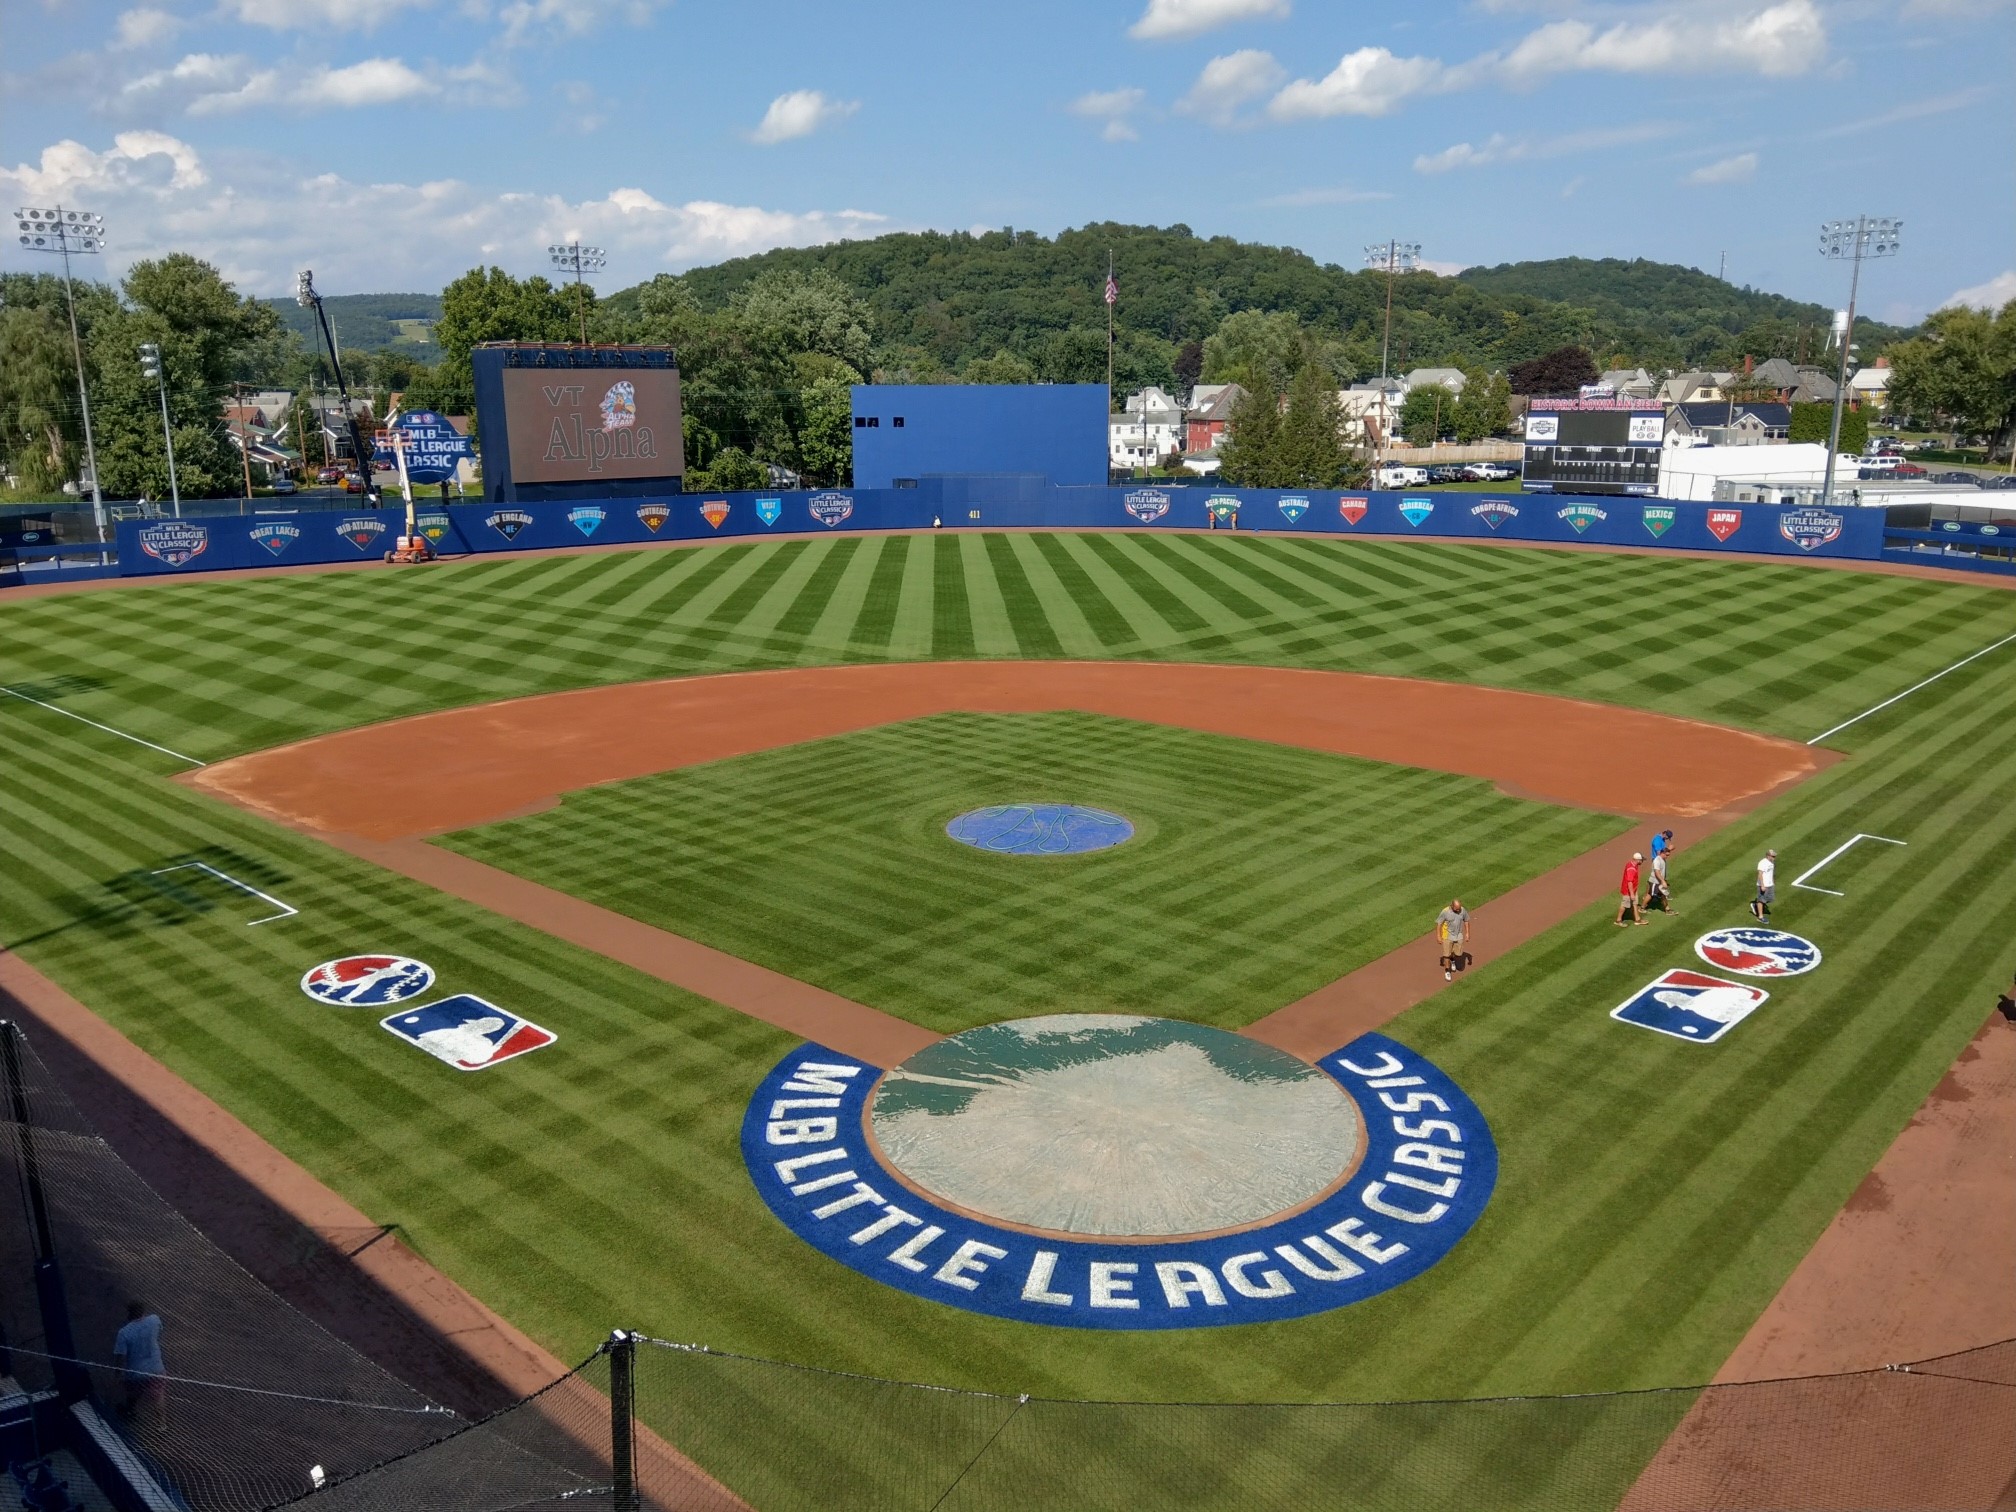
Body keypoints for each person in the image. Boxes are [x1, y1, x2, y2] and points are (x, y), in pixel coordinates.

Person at [114, 1300, 166, 1431]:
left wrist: (117, 1372)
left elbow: (120, 1356)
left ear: (129, 1314)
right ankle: (161, 1424)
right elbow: (160, 1330)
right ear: (143, 1311)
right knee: (158, 1395)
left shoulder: (124, 1332)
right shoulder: (154, 1320)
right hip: (156, 1368)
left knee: (133, 1393)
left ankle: (130, 1411)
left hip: (135, 1372)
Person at [1435, 899, 1471, 980]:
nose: (1459, 910)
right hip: (1447, 936)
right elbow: (1439, 923)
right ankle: (1447, 971)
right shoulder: (1445, 912)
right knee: (1446, 955)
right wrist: (1438, 936)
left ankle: (1453, 959)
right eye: (1457, 909)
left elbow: (1466, 921)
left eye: (1459, 908)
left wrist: (1467, 933)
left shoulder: (1462, 910)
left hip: (1458, 935)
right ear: (1452, 906)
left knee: (1458, 954)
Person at [1644, 847, 1676, 916]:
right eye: (1666, 855)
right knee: (1650, 895)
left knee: (1662, 895)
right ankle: (1642, 907)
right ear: (1662, 853)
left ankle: (1667, 909)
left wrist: (1664, 880)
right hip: (1655, 881)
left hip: (1659, 881)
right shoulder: (1657, 860)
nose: (1667, 857)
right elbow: (1657, 872)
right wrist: (1663, 881)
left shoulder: (1663, 859)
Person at [1616, 852, 1643, 926]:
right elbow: (1630, 882)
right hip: (1628, 891)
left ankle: (1637, 919)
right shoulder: (1631, 869)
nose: (1642, 861)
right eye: (1641, 860)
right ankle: (1618, 920)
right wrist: (1631, 894)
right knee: (1624, 905)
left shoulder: (1633, 864)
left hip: (1633, 889)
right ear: (1637, 860)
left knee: (1635, 904)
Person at [1751, 849, 1776, 922]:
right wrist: (1762, 885)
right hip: (1764, 885)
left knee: (1770, 899)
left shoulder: (1771, 862)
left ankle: (1757, 905)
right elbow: (1760, 874)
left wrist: (1772, 880)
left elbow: (1770, 872)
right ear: (1768, 856)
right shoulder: (1762, 863)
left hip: (1770, 884)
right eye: (1773, 856)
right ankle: (1760, 917)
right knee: (1761, 900)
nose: (1774, 857)